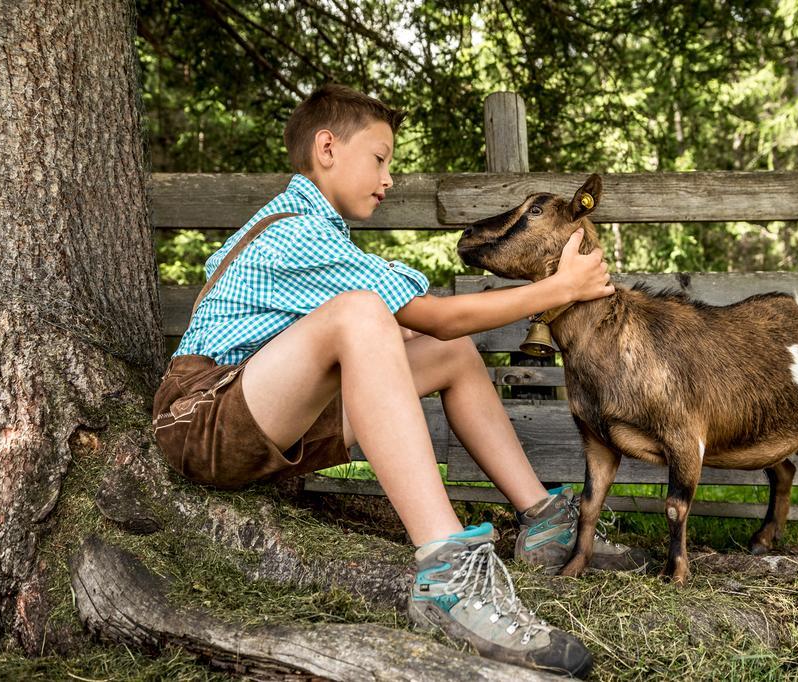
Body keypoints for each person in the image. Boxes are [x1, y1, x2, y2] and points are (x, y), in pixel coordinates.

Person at [152, 83, 643, 677]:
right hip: (201, 418)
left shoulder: (320, 234)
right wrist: (559, 289)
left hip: (270, 417)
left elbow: (439, 333)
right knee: (365, 314)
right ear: (327, 147)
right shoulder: (294, 233)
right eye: (380, 159)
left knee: (452, 353)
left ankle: (542, 522)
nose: (389, 179)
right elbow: (433, 313)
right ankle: (448, 576)